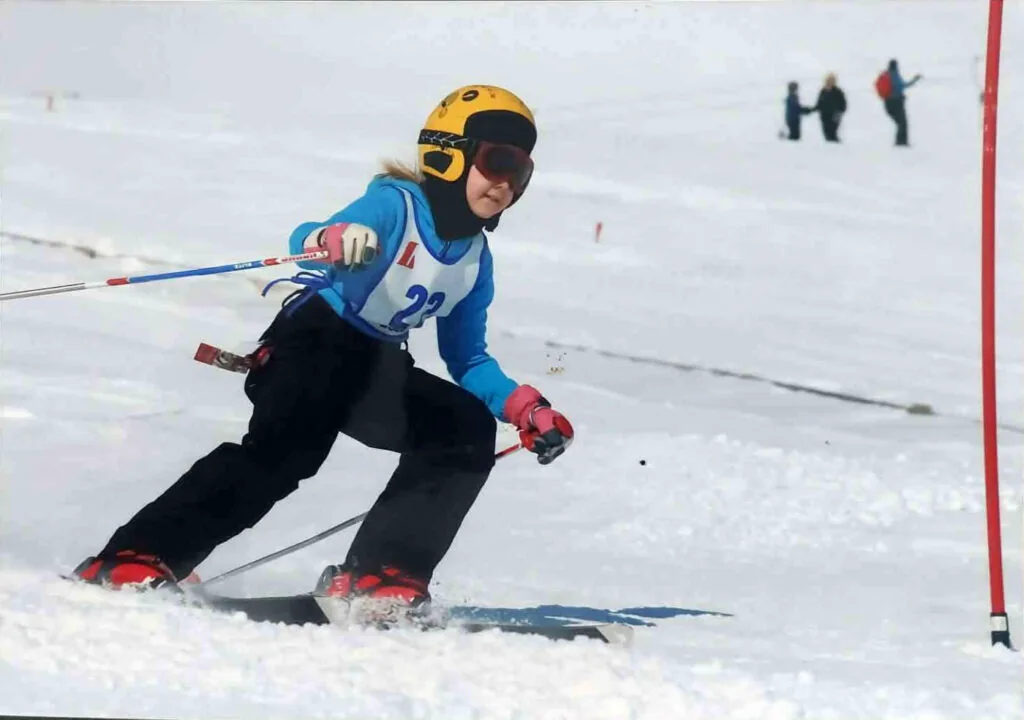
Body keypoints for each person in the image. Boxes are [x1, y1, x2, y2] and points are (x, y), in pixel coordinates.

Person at [71, 85, 575, 614]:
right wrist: (337, 236)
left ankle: (380, 577)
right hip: (314, 343)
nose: (505, 183)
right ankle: (137, 556)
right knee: (286, 455)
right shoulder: (394, 204)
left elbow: (467, 358)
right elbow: (306, 236)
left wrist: (523, 407)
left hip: (378, 369)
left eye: (520, 173)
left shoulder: (475, 260)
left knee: (462, 427)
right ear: (448, 152)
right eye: (498, 160)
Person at [876, 59, 922, 146]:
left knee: (900, 123)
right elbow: (901, 86)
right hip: (896, 103)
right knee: (903, 123)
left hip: (887, 103)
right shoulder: (894, 75)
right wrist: (914, 80)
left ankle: (899, 141)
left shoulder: (886, 74)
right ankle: (901, 142)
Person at [813, 73, 847, 143]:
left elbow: (843, 103)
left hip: (835, 115)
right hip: (824, 116)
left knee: (833, 132)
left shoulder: (838, 91)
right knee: (826, 133)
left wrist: (840, 112)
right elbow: (819, 103)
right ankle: (829, 149)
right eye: (828, 80)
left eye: (832, 80)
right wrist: (812, 109)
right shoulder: (823, 91)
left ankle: (836, 147)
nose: (830, 82)